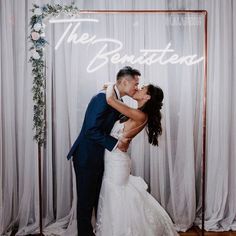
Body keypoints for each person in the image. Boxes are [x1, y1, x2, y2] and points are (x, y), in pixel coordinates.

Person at [95, 84, 179, 236]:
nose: (138, 88)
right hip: (114, 158)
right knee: (115, 195)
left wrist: (111, 85)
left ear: (146, 97)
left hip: (117, 161)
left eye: (142, 88)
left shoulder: (140, 116)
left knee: (118, 197)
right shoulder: (135, 112)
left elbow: (110, 100)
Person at [67, 66, 141, 236]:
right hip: (86, 156)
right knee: (86, 202)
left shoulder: (115, 100)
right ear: (123, 82)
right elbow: (90, 129)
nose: (136, 87)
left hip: (101, 157)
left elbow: (125, 120)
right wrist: (116, 144)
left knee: (96, 200)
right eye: (135, 84)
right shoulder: (102, 98)